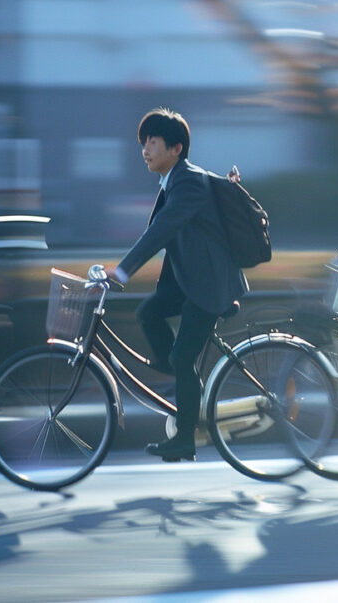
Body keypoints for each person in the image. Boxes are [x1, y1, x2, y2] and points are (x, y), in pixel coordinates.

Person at [105, 108, 248, 462]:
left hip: (209, 285)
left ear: (176, 148)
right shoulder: (174, 179)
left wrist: (122, 271)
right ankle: (186, 383)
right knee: (148, 313)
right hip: (190, 280)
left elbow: (161, 230)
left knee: (183, 357)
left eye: (153, 142)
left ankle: (186, 437)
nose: (145, 149)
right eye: (144, 142)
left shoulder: (188, 183)